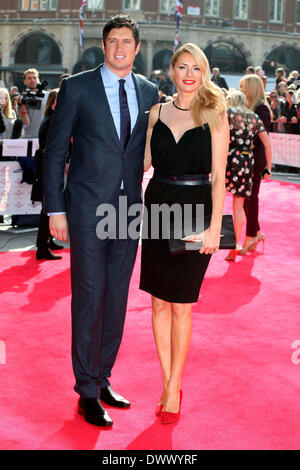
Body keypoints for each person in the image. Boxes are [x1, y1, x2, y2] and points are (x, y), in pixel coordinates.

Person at [44, 14, 158, 427]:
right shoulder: (76, 88)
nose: (120, 47)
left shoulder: (149, 91)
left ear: (137, 47)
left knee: (115, 298)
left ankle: (103, 375)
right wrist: (55, 211)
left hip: (128, 212)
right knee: (89, 297)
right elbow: (56, 152)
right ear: (104, 45)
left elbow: (148, 148)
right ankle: (86, 390)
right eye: (113, 40)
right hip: (87, 209)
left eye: (128, 41)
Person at [140, 43, 229, 424]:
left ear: (204, 72)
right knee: (158, 303)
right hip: (157, 205)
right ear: (171, 71)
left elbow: (220, 177)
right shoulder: (156, 112)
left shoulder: (214, 112)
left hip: (195, 211)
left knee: (181, 303)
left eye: (196, 67)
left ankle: (175, 385)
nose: (189, 73)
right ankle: (167, 380)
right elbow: (140, 161)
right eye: (182, 66)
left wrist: (214, 228)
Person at [224, 90, 272, 261]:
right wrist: (268, 167)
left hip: (228, 159)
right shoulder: (253, 116)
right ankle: (234, 246)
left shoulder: (227, 112)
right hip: (246, 161)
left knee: (217, 202)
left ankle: (209, 242)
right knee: (238, 207)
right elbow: (267, 143)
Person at [239, 74, 272, 253]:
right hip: (248, 159)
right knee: (247, 199)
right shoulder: (253, 107)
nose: (242, 90)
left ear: (252, 88)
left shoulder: (262, 109)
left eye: (244, 87)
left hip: (255, 160)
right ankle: (256, 232)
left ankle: (251, 236)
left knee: (250, 199)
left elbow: (262, 138)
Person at [31, 88, 64, 261]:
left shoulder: (53, 120)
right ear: (53, 104)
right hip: (48, 170)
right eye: (60, 100)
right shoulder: (52, 122)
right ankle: (41, 247)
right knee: (48, 209)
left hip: (49, 169)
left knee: (49, 208)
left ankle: (48, 241)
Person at [17, 68, 49, 138]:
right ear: (24, 81)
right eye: (29, 78)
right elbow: (24, 122)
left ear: (38, 80)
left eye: (35, 78)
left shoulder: (48, 96)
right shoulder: (22, 98)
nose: (32, 80)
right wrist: (22, 106)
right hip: (28, 136)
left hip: (45, 136)